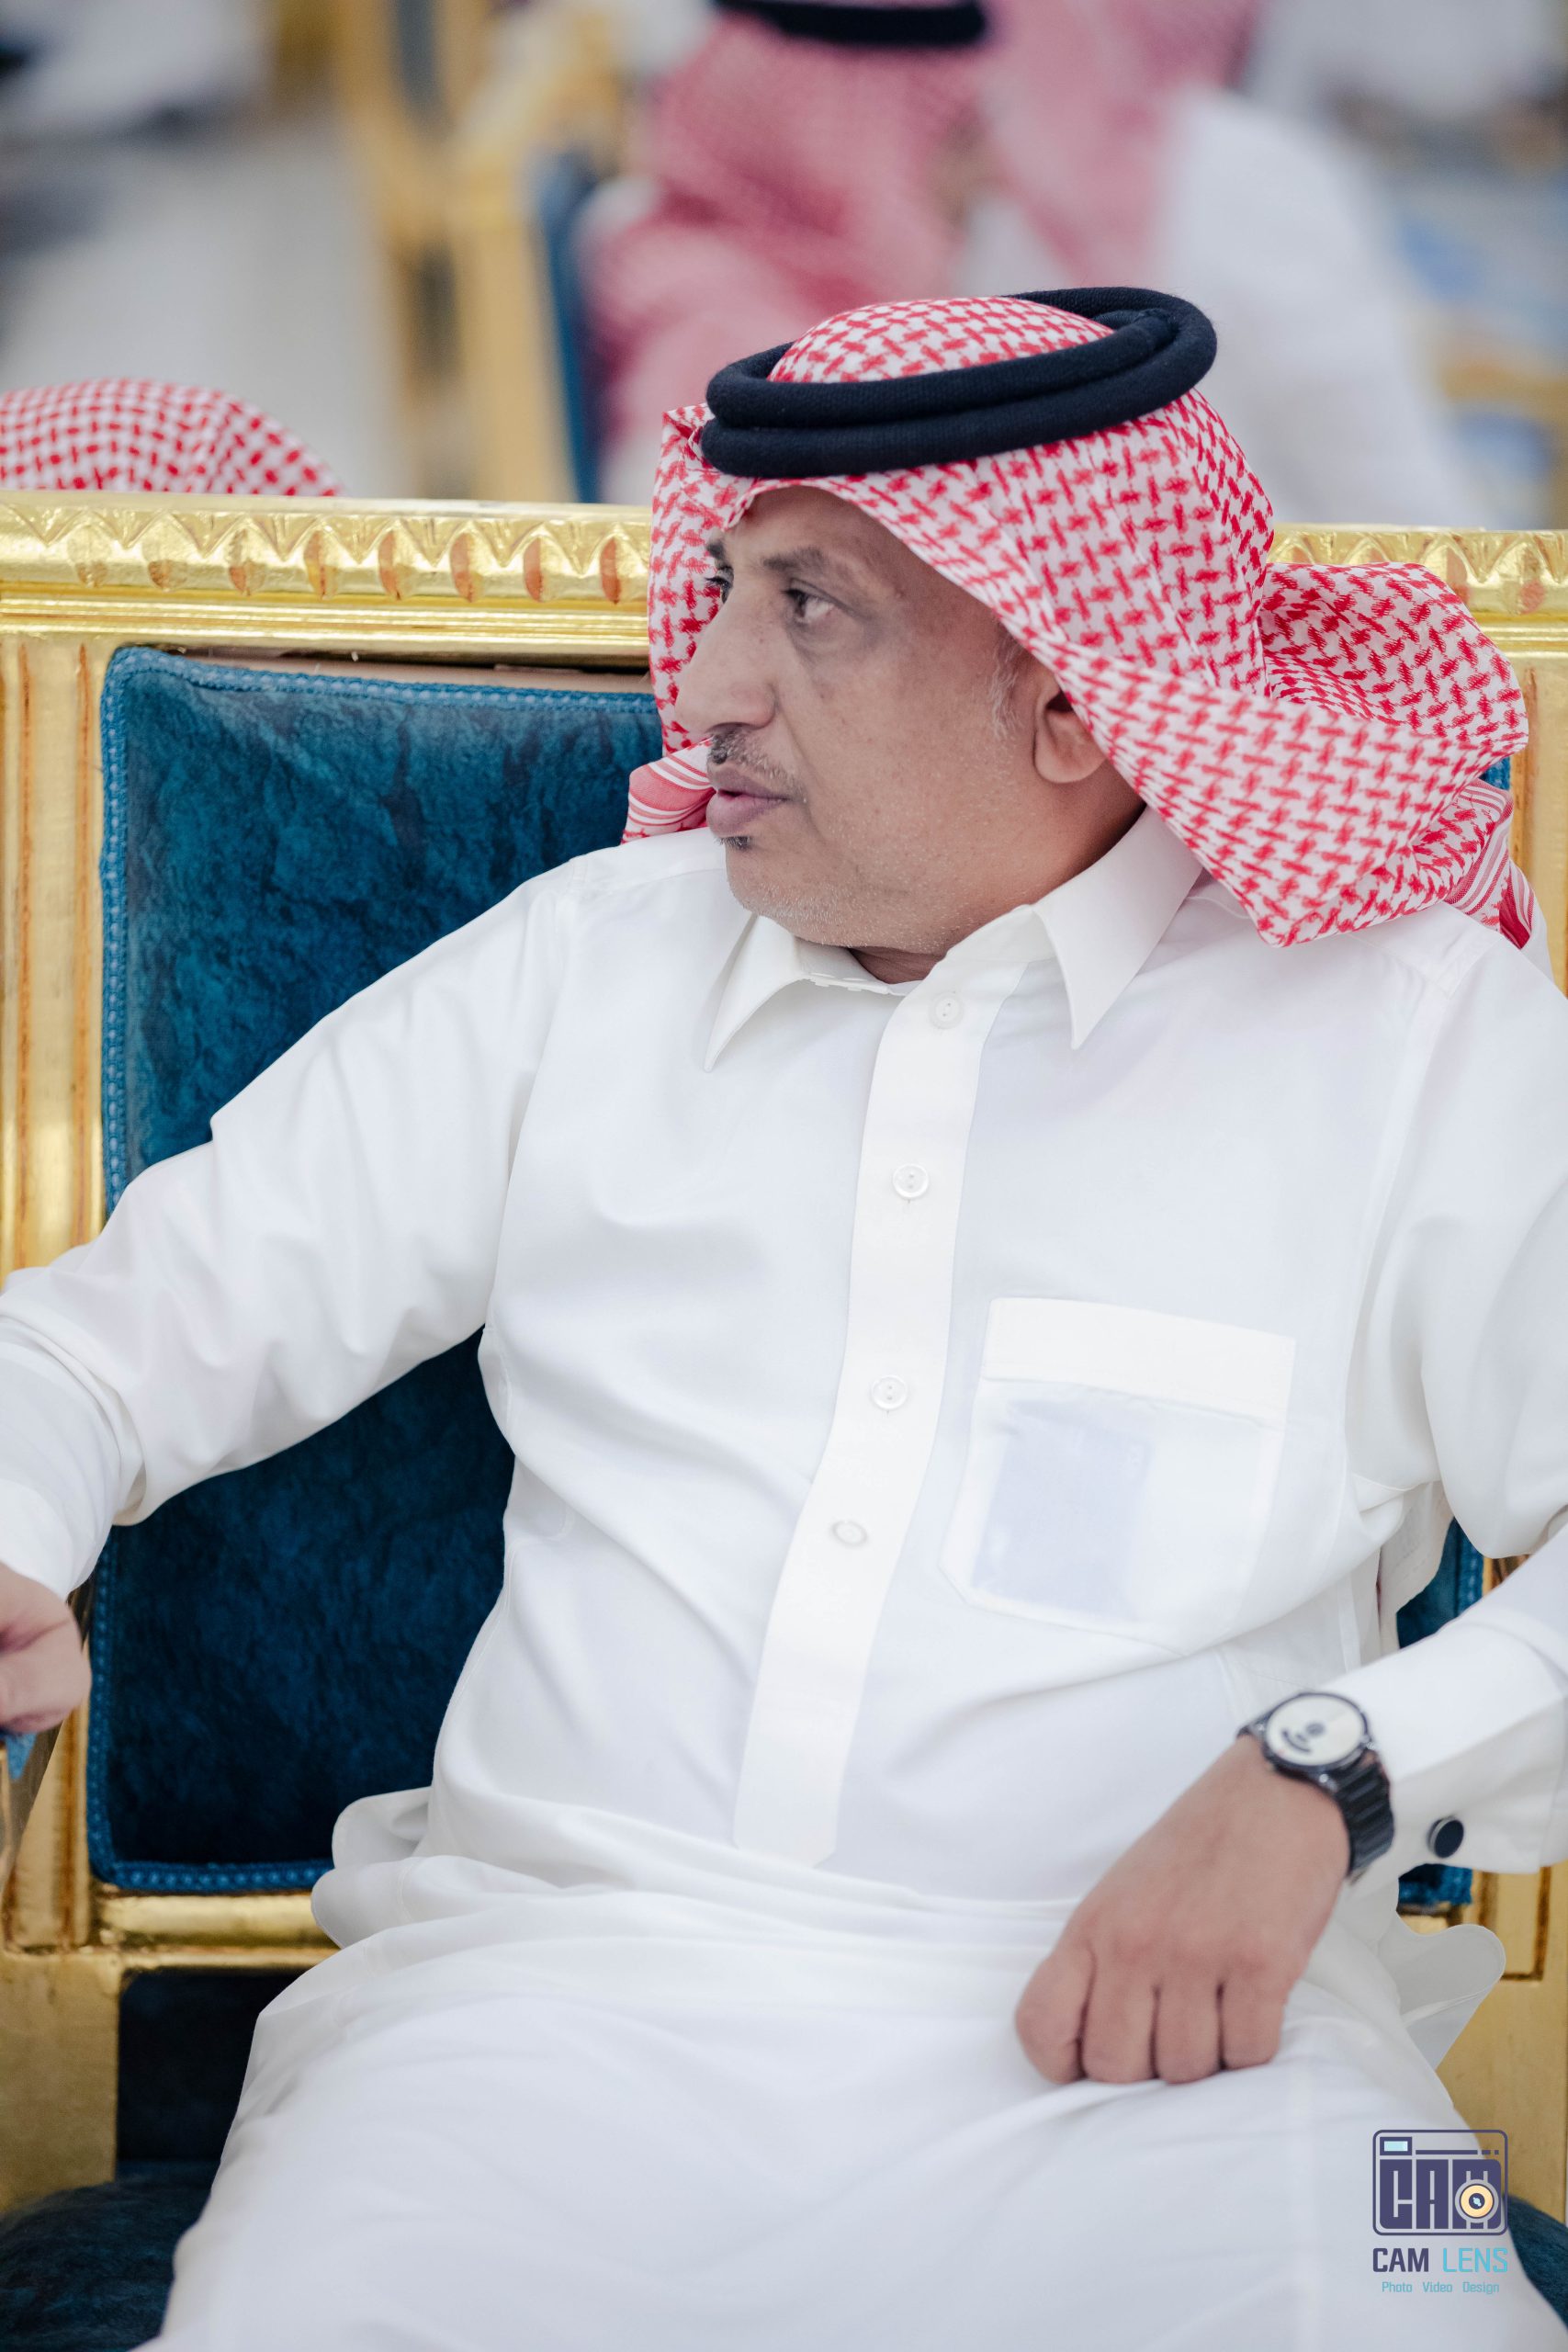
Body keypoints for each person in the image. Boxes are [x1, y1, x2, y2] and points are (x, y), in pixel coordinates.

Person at [1, 288, 1566, 2346]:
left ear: (1069, 691)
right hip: (528, 2033)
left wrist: (1332, 1770)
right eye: (726, 587)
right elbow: (95, 1347)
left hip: (1198, 2066)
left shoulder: (1412, 1039)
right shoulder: (584, 969)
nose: (707, 688)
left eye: (808, 610)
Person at [589, 0, 988, 503]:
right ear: (834, 144)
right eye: (959, 138)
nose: (989, 173)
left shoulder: (821, 308)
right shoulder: (730, 348)